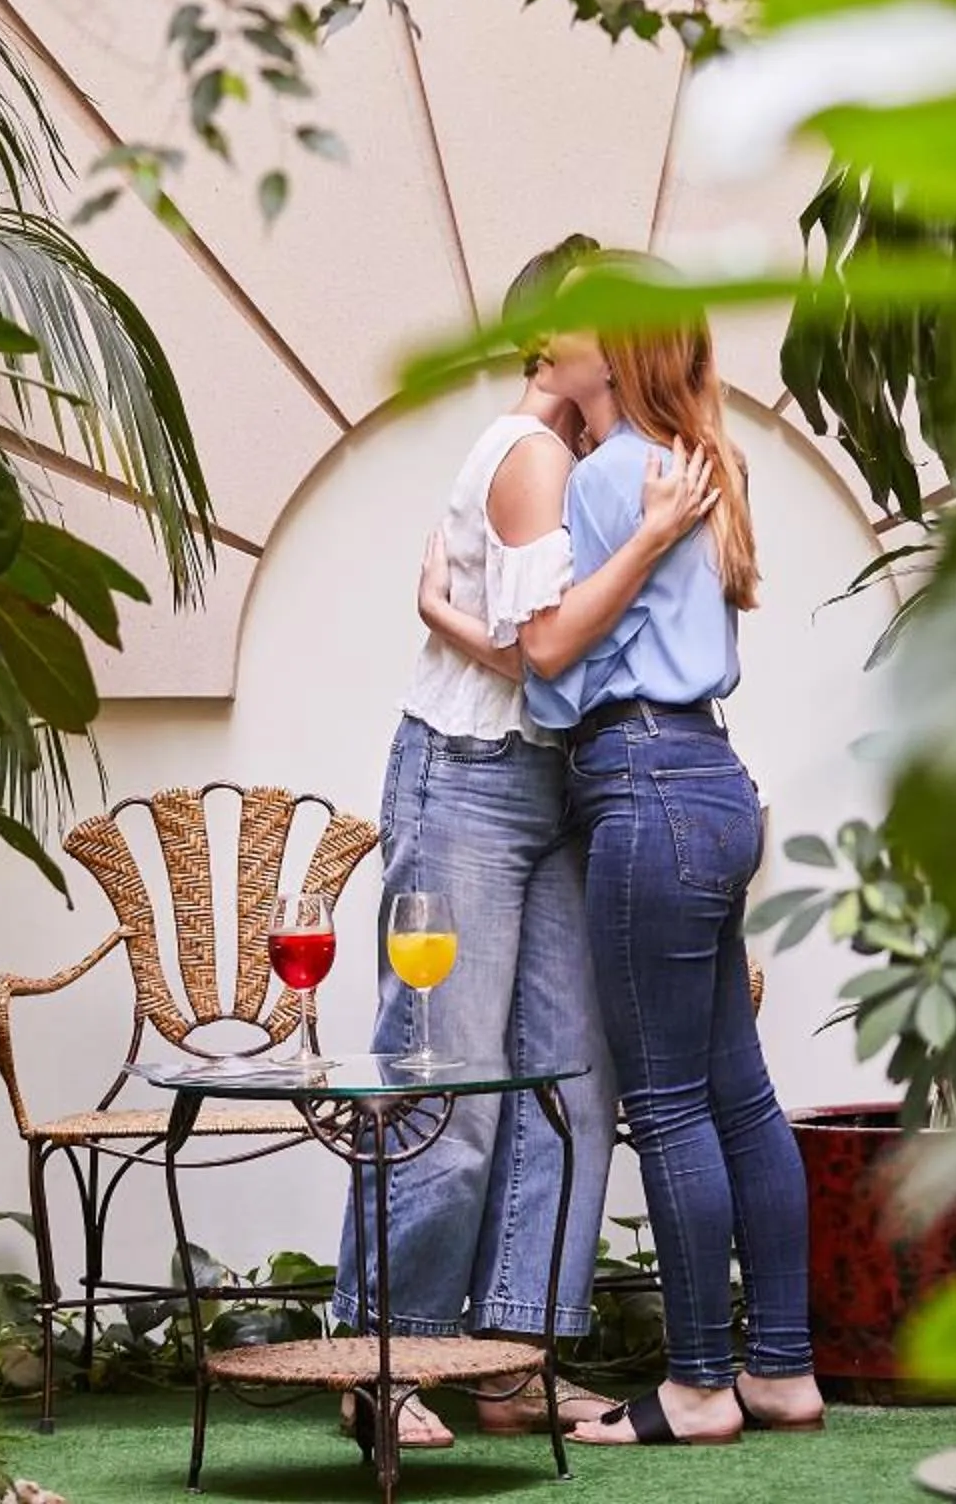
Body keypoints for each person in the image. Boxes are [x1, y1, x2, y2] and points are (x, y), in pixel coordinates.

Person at [332, 234, 716, 1450]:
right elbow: (548, 652)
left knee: (568, 1082)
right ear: (550, 337)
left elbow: (575, 655)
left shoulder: (600, 458)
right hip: (473, 784)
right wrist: (644, 545)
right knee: (446, 1082)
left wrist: (453, 611)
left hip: (563, 789)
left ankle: (510, 1356)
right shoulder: (532, 451)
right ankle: (378, 1357)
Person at [520, 276, 823, 1449]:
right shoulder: (711, 463)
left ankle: (699, 1381)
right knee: (740, 1093)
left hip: (641, 783)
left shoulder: (609, 478)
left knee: (669, 1099)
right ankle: (783, 1366)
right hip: (712, 779)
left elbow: (554, 669)